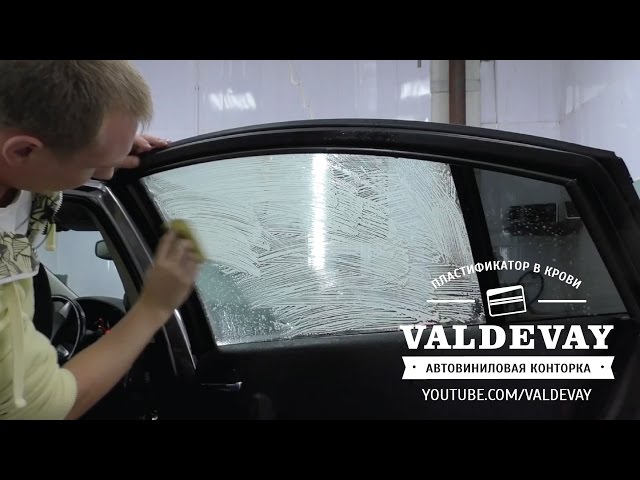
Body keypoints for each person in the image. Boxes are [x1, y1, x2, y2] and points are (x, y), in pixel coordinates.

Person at [0, 60, 201, 420]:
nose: (108, 172)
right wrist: (154, 307)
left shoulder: (20, 161)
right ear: (22, 151)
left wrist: (100, 148)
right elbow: (41, 409)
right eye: (93, 166)